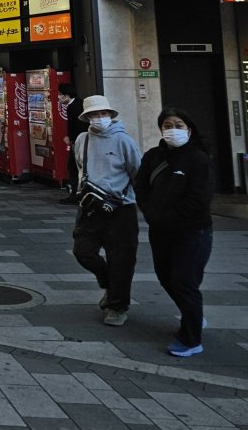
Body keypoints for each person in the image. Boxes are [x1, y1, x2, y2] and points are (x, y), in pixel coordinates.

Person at [135, 108, 215, 357]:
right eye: (167, 125)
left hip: (192, 231)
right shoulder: (153, 157)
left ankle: (191, 339)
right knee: (165, 275)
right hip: (160, 230)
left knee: (184, 280)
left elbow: (199, 199)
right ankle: (194, 315)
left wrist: (169, 217)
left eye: (178, 125)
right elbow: (141, 187)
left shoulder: (198, 159)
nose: (173, 129)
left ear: (189, 128)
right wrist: (150, 212)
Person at [72, 95, 142, 327]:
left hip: (121, 208)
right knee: (83, 251)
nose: (99, 118)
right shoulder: (83, 139)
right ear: (87, 118)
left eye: (103, 114)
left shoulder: (124, 141)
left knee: (121, 259)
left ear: (111, 115)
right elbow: (81, 168)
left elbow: (137, 173)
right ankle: (110, 284)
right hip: (90, 207)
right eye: (94, 114)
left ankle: (118, 306)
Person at [57, 83, 85, 205]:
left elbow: (78, 126)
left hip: (79, 142)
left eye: (60, 95)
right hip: (77, 141)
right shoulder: (76, 104)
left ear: (66, 95)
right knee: (73, 168)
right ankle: (75, 193)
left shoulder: (75, 106)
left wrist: (71, 138)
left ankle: (75, 195)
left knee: (74, 168)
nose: (59, 97)